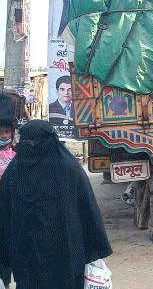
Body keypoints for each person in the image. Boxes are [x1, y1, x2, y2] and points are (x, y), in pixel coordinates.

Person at [0, 120, 112, 289]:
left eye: (35, 142)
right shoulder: (67, 168)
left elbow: (86, 208)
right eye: (27, 143)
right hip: (47, 255)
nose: (31, 147)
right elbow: (4, 218)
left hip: (49, 255)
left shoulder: (66, 170)